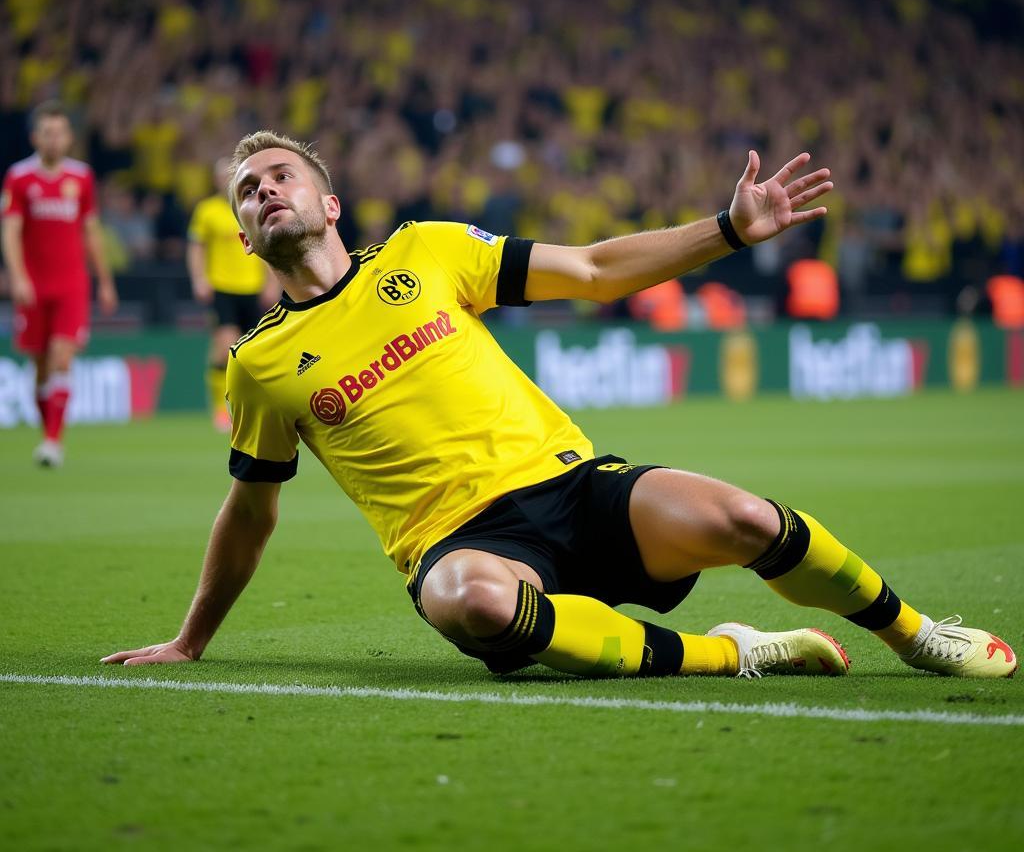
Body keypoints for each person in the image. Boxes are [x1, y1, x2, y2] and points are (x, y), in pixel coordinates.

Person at [102, 131, 1017, 679]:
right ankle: (733, 653)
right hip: (462, 545)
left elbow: (592, 270)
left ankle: (914, 633)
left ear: (329, 201)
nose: (266, 192)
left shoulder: (426, 252)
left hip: (574, 487)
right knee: (471, 602)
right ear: (244, 237)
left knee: (746, 517)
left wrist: (731, 228)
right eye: (248, 193)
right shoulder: (260, 365)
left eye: (279, 177)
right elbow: (251, 511)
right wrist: (190, 640)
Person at [1, 102, 118, 467]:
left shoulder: (81, 178)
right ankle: (47, 431)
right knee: (39, 365)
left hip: (71, 284)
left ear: (69, 137)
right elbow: (11, 231)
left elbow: (91, 231)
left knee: (60, 358)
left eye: (61, 132)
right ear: (35, 137)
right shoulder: (19, 178)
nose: (55, 139)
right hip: (33, 286)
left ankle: (53, 441)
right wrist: (18, 276)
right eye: (47, 132)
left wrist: (105, 281)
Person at [187, 157, 276, 431]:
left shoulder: (253, 207)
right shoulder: (207, 211)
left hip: (253, 288)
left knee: (255, 353)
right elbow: (196, 247)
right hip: (223, 287)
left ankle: (256, 406)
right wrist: (200, 279)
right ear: (214, 179)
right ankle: (219, 410)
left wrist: (272, 282)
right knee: (225, 348)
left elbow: (268, 245)